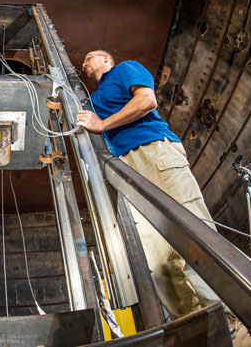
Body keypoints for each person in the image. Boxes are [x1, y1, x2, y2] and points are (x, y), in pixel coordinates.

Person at [76, 50, 223, 319]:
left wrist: (103, 123)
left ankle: (223, 315)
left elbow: (146, 101)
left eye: (91, 56)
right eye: (83, 60)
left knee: (195, 235)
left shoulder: (124, 69)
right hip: (125, 169)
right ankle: (197, 328)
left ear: (107, 58)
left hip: (153, 151)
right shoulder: (92, 100)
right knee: (157, 263)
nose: (85, 62)